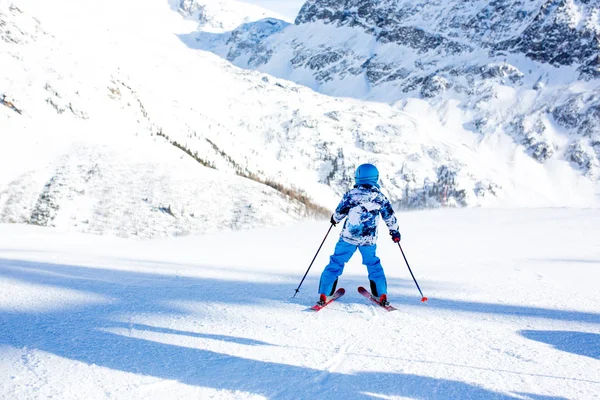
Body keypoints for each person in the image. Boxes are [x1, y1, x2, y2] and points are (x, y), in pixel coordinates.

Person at [317, 163, 400, 306]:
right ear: (375, 178)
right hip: (369, 239)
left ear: (358, 177)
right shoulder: (380, 197)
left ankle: (325, 293)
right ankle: (381, 294)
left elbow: (340, 211)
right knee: (373, 264)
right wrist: (394, 231)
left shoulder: (351, 194)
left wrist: (334, 219)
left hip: (348, 237)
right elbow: (389, 216)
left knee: (336, 262)